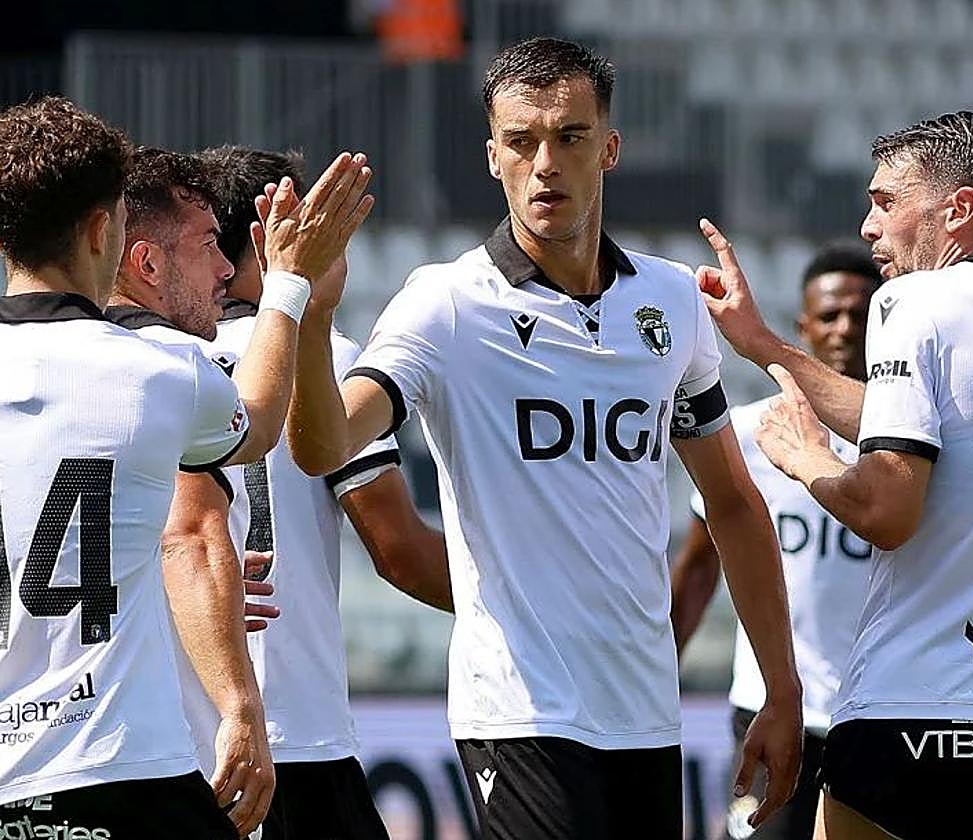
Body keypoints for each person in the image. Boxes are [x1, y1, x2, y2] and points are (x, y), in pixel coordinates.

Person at [284, 37, 803, 838]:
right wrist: (311, 315)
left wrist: (781, 687)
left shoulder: (671, 302)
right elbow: (324, 446)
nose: (545, 165)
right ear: (492, 156)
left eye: (570, 137)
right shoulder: (446, 305)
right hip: (518, 711)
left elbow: (733, 503)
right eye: (521, 142)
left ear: (611, 148)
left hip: (645, 711)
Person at [697, 110, 973, 840]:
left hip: (919, 718)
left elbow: (885, 510)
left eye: (886, 201)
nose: (869, 226)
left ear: (958, 209)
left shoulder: (917, 300)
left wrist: (806, 459)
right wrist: (763, 344)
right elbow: (918, 423)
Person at [0, 97, 362, 837]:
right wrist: (289, 283)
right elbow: (254, 429)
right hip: (118, 764)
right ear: (102, 230)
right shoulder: (153, 372)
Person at [197, 144, 448, 840]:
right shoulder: (324, 358)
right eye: (322, 228)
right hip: (298, 736)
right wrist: (538, 599)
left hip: (185, 735)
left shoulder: (162, 359)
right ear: (268, 238)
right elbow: (400, 552)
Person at [671, 243, 879, 840]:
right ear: (802, 327)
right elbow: (701, 566)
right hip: (771, 706)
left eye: (861, 314)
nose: (845, 328)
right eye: (830, 315)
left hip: (875, 717)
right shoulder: (751, 431)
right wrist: (658, 671)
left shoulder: (908, 447)